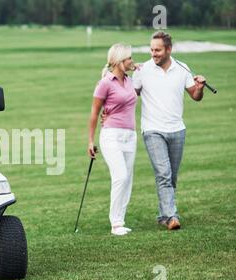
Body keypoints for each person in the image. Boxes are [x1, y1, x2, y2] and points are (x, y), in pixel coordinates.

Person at [131, 31, 206, 230]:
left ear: (169, 50)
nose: (153, 53)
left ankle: (164, 214)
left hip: (177, 130)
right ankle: (172, 217)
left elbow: (195, 96)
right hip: (152, 130)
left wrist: (200, 87)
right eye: (151, 49)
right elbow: (129, 96)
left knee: (171, 177)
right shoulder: (142, 70)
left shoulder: (183, 68)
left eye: (158, 50)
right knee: (163, 173)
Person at [88, 44, 137, 236]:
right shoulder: (105, 83)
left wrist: (138, 67)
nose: (132, 61)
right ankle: (115, 224)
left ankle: (121, 220)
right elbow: (94, 113)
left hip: (130, 136)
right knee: (121, 176)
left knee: (128, 180)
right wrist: (90, 141)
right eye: (129, 59)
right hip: (111, 136)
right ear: (119, 61)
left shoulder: (130, 80)